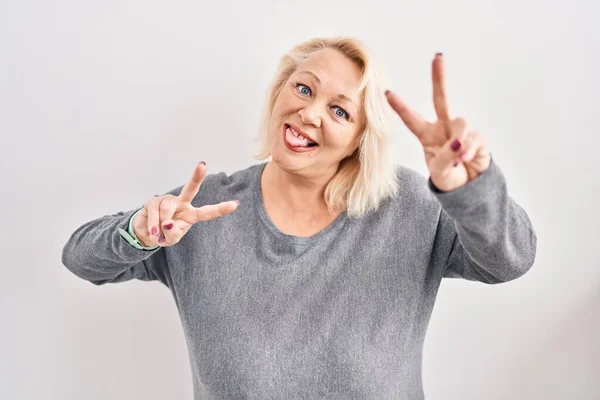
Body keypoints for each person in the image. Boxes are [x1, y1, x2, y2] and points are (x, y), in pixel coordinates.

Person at [62, 36, 537, 399]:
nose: (309, 113)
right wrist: (137, 233)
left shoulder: (409, 207)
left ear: (358, 140)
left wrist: (467, 189)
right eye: (303, 88)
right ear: (279, 92)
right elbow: (81, 258)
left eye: (339, 110)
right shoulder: (203, 210)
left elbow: (510, 260)